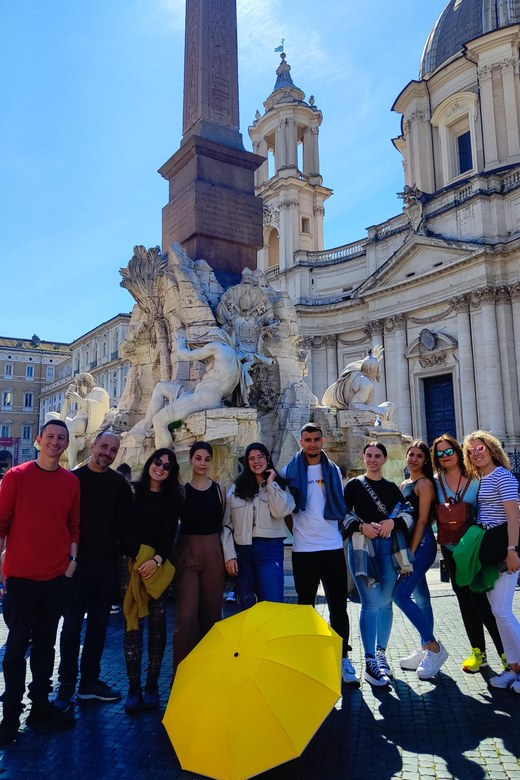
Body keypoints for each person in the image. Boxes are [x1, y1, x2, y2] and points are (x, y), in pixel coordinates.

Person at [0, 420, 80, 747]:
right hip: (20, 577)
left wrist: (72, 563)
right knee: (16, 648)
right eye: (50, 437)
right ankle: (10, 714)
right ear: (38, 441)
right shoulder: (15, 476)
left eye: (61, 438)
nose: (55, 442)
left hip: (56, 577)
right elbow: (1, 523)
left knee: (47, 646)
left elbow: (74, 525)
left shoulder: (71, 482)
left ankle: (40, 708)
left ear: (66, 444)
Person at [55, 431, 133, 711]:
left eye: (113, 450)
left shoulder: (120, 486)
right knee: (72, 627)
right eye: (104, 447)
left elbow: (126, 528)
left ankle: (89, 682)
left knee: (98, 627)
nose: (107, 453)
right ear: (93, 446)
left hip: (106, 566)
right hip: (75, 566)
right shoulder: (72, 479)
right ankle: (65, 683)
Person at [282, 423, 359, 686]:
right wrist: (299, 532)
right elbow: (285, 509)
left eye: (316, 439)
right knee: (306, 607)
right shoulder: (288, 470)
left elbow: (338, 503)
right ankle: (308, 658)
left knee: (339, 607)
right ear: (301, 442)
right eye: (307, 439)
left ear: (322, 441)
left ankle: (342, 658)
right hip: (304, 550)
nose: (312, 444)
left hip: (332, 546)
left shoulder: (333, 469)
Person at [432, 435, 505, 674]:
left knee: (483, 602)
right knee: (464, 601)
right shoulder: (435, 481)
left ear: (457, 450)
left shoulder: (477, 476)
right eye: (440, 453)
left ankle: (506, 654)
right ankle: (478, 653)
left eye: (449, 451)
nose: (445, 456)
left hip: (475, 549)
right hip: (452, 550)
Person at [343, 442, 413, 686]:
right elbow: (341, 514)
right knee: (370, 603)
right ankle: (370, 661)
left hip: (388, 549)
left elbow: (407, 514)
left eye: (377, 456)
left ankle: (381, 654)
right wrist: (361, 526)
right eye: (369, 455)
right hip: (362, 547)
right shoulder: (353, 485)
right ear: (364, 458)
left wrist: (392, 524)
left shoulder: (392, 487)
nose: (372, 460)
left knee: (385, 603)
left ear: (384, 460)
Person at [122, 448, 182, 712]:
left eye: (167, 466)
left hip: (157, 565)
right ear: (149, 462)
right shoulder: (131, 492)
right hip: (131, 564)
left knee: (158, 626)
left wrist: (155, 560)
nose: (161, 467)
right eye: (158, 462)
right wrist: (139, 557)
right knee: (133, 623)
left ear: (172, 472)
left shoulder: (172, 498)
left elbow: (170, 535)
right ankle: (133, 687)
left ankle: (152, 685)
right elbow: (121, 528)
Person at [463, 431, 520, 692]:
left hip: (503, 551)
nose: (476, 452)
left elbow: (514, 516)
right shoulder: (480, 478)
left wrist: (513, 550)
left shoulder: (502, 476)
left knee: (502, 611)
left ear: (491, 449)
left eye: (480, 447)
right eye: (471, 450)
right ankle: (514, 668)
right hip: (488, 550)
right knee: (497, 612)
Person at [393, 441, 449, 679]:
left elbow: (423, 521)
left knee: (401, 594)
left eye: (419, 456)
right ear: (406, 457)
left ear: (426, 461)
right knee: (422, 597)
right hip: (410, 545)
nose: (414, 459)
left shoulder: (425, 484)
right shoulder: (404, 483)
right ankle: (426, 649)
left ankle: (434, 647)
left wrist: (410, 555)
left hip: (422, 545)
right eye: (411, 454)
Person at [171, 442, 226, 679]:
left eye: (206, 459)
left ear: (210, 462)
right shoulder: (181, 492)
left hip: (214, 551)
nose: (202, 463)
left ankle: (210, 673)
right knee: (186, 616)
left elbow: (225, 525)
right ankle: (182, 674)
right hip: (187, 551)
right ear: (191, 460)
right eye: (198, 458)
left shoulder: (220, 491)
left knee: (213, 615)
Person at [223, 442, 295, 609]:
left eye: (260, 457)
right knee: (246, 607)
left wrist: (271, 484)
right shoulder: (237, 488)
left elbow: (281, 511)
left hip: (270, 551)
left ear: (267, 458)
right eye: (251, 458)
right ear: (247, 462)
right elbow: (227, 524)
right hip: (243, 554)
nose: (256, 462)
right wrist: (229, 555)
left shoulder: (281, 486)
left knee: (272, 605)